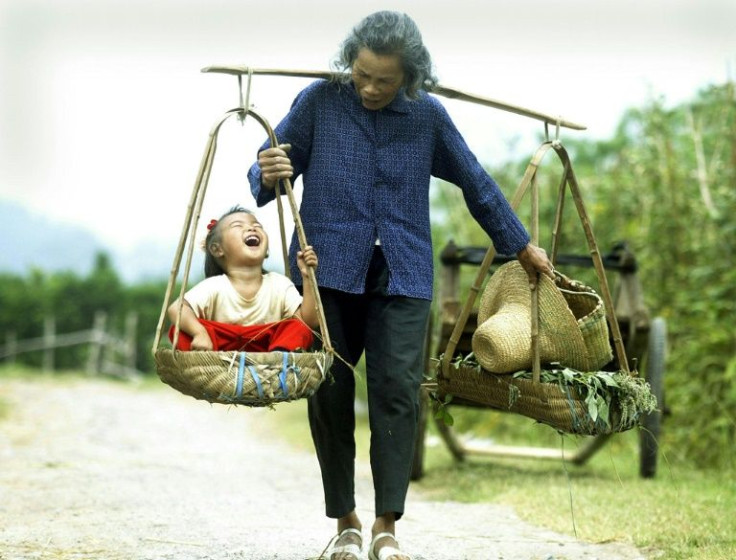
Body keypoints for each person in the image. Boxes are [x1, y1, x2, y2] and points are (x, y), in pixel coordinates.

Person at [247, 11, 554, 560]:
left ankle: (386, 527)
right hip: (326, 273)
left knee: (396, 393)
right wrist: (265, 170)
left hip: (404, 273)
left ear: (409, 77)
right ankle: (345, 522)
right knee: (330, 391)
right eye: (361, 74)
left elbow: (476, 182)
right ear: (351, 63)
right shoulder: (319, 101)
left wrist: (522, 244)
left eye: (383, 81)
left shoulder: (426, 116)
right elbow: (267, 175)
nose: (369, 87)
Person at [167, 205, 319, 353]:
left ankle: (279, 359)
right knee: (179, 330)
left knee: (298, 328)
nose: (252, 228)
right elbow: (177, 309)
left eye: (257, 225)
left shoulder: (279, 284)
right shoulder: (215, 286)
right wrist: (199, 333)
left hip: (270, 349)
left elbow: (308, 322)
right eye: (238, 225)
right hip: (218, 350)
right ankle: (205, 360)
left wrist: (307, 277)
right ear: (217, 249)